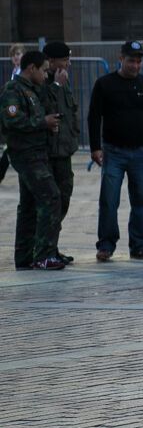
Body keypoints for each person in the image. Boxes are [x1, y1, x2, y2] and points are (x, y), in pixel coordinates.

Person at [88, 41, 143, 261]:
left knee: (141, 201)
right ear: (121, 59)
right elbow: (94, 117)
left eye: (139, 61)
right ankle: (106, 245)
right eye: (131, 60)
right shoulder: (105, 84)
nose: (135, 65)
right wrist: (95, 148)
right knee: (109, 200)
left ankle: (140, 245)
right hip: (113, 152)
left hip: (141, 153)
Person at [1, 51, 64, 270]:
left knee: (28, 206)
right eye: (44, 70)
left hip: (37, 153)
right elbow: (13, 120)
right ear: (31, 69)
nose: (46, 75)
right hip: (26, 155)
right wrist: (42, 122)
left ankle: (24, 256)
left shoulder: (33, 91)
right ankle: (44, 255)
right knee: (51, 197)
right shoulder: (13, 90)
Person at [42, 42, 79, 264]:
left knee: (63, 200)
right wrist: (55, 85)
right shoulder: (43, 82)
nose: (68, 64)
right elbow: (44, 107)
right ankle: (44, 250)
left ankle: (52, 247)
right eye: (65, 60)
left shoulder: (63, 82)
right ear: (52, 62)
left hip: (63, 152)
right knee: (50, 203)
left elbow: (70, 112)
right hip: (47, 154)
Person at [0, 45, 27, 184]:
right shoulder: (15, 71)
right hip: (13, 115)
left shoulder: (23, 72)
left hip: (20, 114)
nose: (16, 57)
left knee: (10, 149)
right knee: (10, 148)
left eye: (18, 54)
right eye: (13, 55)